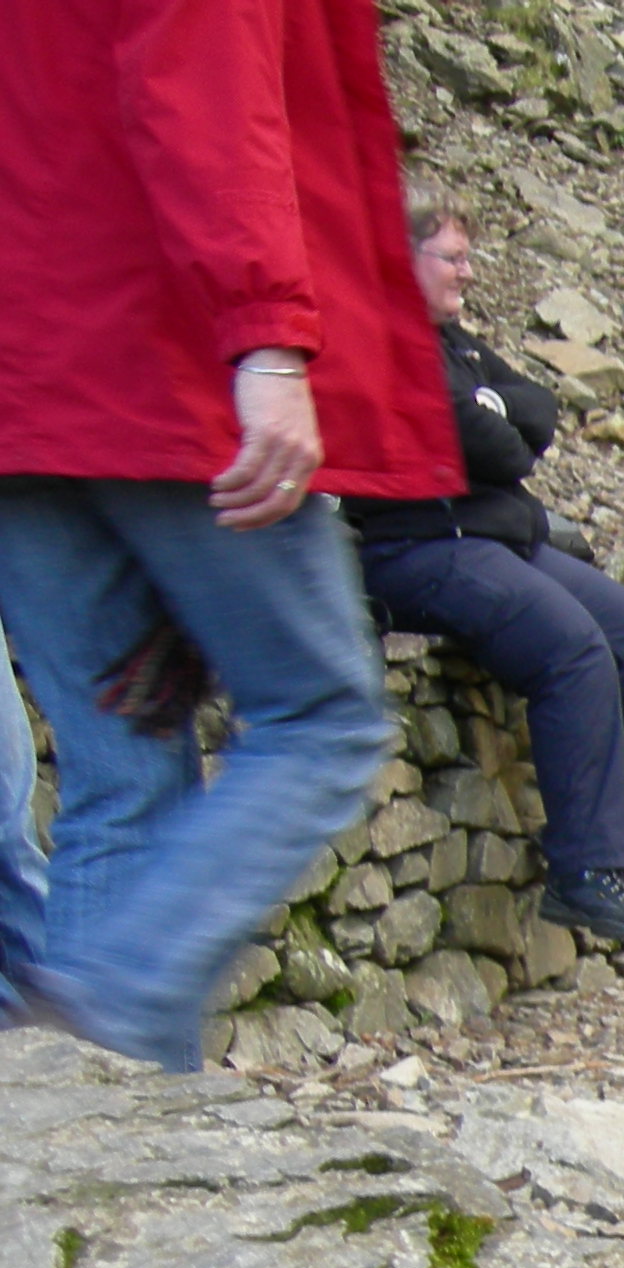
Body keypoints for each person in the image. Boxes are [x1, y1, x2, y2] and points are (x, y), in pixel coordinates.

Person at [0, 0, 458, 1069]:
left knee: (122, 768)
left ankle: (93, 1129)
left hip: (26, 382)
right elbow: (207, 98)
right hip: (169, 362)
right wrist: (268, 342)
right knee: (321, 719)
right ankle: (113, 1000)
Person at [346, 182, 624, 949]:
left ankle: (616, 846)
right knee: (572, 648)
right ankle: (583, 872)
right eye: (453, 257)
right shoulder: (379, 337)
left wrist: (494, 410)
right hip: (415, 546)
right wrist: (495, 418)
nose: (469, 272)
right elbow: (495, 445)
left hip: (492, 533)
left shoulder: (453, 341)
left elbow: (537, 410)